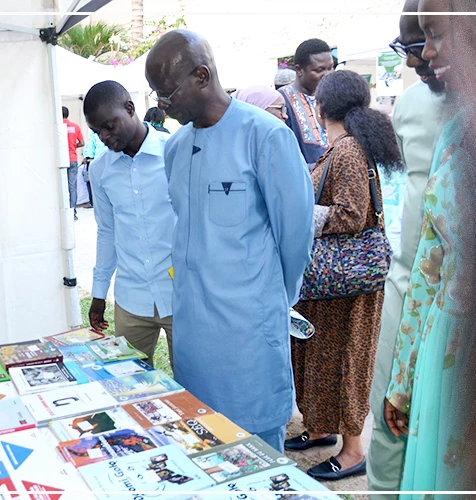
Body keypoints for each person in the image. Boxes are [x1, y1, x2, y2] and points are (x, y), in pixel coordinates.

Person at [144, 30, 314, 453]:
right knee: (204, 452)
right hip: (192, 338)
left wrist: (267, 300)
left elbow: (295, 239)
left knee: (257, 458)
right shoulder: (176, 148)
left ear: (201, 76)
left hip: (247, 340)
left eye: (166, 94)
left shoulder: (266, 137)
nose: (162, 106)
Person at [289, 70, 403, 481]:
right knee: (322, 357)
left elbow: (352, 215)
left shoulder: (349, 150)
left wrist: (299, 214)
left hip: (347, 284)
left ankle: (353, 451)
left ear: (321, 108)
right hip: (336, 284)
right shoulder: (340, 147)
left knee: (345, 362)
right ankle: (320, 429)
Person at [384, 0, 471, 494]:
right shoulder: (457, 132)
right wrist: (404, 376)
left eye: (436, 35)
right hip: (445, 348)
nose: (426, 54)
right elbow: (428, 266)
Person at [366, 1, 451, 496]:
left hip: (468, 306)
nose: (416, 61)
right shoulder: (414, 104)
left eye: (421, 45)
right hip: (407, 288)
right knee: (390, 420)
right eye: (408, 46)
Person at [82, 80, 176, 361]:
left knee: (193, 390)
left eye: (109, 126)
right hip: (132, 299)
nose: (104, 137)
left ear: (130, 108)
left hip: (182, 296)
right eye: (96, 131)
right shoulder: (100, 171)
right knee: (127, 387)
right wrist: (99, 292)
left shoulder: (173, 152)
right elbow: (107, 232)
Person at [280, 38, 334, 165]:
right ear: (299, 70)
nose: (327, 75)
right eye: (319, 70)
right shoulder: (282, 101)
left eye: (331, 68)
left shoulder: (335, 97)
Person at [64, 106, 86, 219]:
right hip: (72, 159)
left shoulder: (58, 128)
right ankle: (72, 212)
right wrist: (73, 146)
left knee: (62, 187)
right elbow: (82, 143)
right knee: (72, 187)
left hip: (61, 161)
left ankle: (64, 212)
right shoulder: (75, 127)